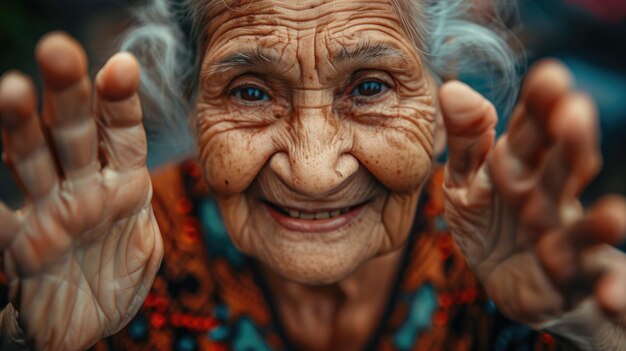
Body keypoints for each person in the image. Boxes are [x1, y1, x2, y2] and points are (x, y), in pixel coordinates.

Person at [1, 0, 625, 350]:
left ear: (442, 102)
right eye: (249, 92)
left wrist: (592, 329)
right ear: (192, 111)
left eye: (371, 86)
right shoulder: (114, 257)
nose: (314, 171)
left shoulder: (505, 250)